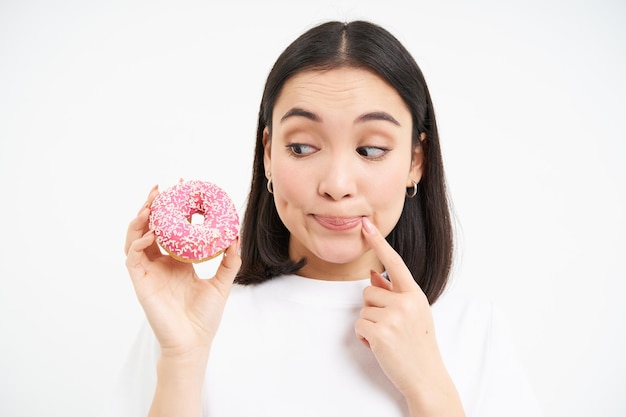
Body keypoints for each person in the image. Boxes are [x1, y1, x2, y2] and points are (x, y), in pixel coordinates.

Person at [111, 20, 543, 417]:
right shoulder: (193, 323)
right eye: (302, 147)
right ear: (267, 154)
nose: (337, 184)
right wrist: (183, 359)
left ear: (416, 161)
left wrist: (429, 387)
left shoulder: (473, 330)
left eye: (371, 149)